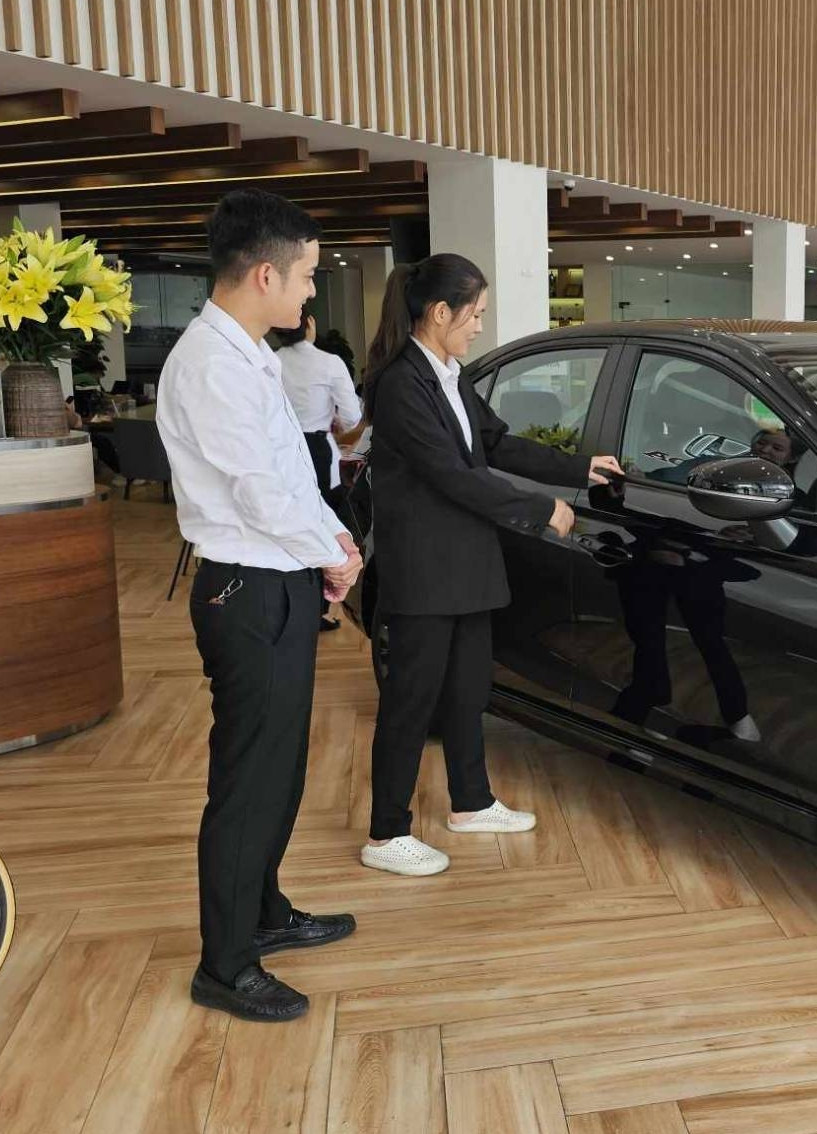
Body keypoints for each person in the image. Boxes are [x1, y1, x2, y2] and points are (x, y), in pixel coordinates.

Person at [154, 189, 363, 1023]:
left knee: (280, 769)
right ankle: (225, 963)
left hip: (279, 578)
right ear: (266, 274)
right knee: (248, 781)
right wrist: (331, 552)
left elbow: (291, 478)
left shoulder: (250, 354)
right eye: (308, 275)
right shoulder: (210, 364)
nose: (312, 291)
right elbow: (256, 493)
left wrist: (331, 544)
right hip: (246, 589)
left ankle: (264, 912)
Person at [360, 253, 621, 876]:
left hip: (468, 561)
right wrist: (541, 508)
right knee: (411, 702)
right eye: (474, 314)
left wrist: (577, 466)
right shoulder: (399, 384)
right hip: (425, 571)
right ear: (439, 312)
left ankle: (471, 802)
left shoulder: (449, 374)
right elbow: (450, 474)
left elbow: (496, 443)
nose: (480, 326)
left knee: (467, 689)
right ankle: (386, 833)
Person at [275, 312, 363, 630]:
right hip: (318, 450)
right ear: (310, 324)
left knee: (290, 522)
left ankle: (292, 604)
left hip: (280, 450)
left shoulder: (270, 361)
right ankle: (318, 607)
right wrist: (333, 418)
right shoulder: (329, 363)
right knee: (323, 524)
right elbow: (352, 417)